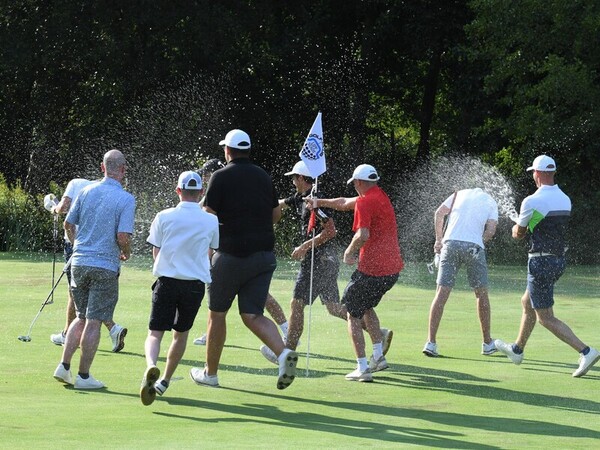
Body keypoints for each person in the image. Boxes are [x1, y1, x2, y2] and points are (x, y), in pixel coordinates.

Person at [189, 129, 298, 390]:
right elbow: (274, 215)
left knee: (217, 315)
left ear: (227, 151)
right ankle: (283, 354)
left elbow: (207, 216)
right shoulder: (264, 176)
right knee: (252, 314)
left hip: (231, 256)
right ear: (247, 150)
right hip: (264, 257)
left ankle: (210, 374)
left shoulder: (220, 176)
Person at [260, 161, 393, 364]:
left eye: (295, 177)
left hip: (318, 260)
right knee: (333, 307)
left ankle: (286, 353)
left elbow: (331, 231)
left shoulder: (316, 203)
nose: (293, 181)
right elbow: (279, 204)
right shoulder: (300, 198)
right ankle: (378, 333)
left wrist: (305, 246)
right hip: (325, 262)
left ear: (303, 178)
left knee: (297, 303)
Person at [495, 155, 599, 377]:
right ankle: (517, 349)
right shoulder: (565, 199)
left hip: (541, 261)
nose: (533, 175)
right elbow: (541, 224)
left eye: (533, 172)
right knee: (527, 301)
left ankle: (586, 351)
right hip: (558, 261)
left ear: (539, 174)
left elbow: (519, 234)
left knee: (545, 317)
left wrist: (517, 228)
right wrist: (529, 223)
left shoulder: (532, 201)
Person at [309, 164, 403, 382]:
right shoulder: (379, 195)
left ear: (359, 183)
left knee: (352, 313)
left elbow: (362, 234)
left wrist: (349, 252)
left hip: (372, 270)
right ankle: (378, 357)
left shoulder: (364, 201)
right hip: (391, 271)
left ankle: (362, 368)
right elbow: (344, 203)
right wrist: (318, 202)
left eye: (354, 184)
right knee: (366, 305)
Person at [52, 149, 136, 389]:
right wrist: (126, 252)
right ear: (123, 170)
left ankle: (63, 366)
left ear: (102, 168)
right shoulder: (126, 199)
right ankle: (84, 376)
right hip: (104, 265)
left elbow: (68, 223)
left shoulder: (86, 190)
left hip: (78, 262)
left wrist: (78, 245)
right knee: (94, 321)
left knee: (80, 316)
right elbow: (122, 235)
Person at [140, 171, 219, 405]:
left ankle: (151, 365)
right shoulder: (210, 220)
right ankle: (164, 380)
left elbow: (156, 251)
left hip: (167, 280)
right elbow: (211, 250)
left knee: (155, 333)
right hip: (194, 285)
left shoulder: (164, 216)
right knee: (180, 334)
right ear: (201, 193)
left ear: (178, 191)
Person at [192, 160, 291, 346]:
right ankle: (286, 332)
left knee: (220, 305)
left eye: (206, 174)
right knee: (246, 303)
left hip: (231, 255)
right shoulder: (242, 180)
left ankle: (286, 330)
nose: (204, 178)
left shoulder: (220, 182)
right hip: (250, 254)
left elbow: (203, 213)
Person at [47, 178, 128, 352]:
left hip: (78, 246)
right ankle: (113, 329)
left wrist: (52, 208)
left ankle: (68, 334)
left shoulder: (76, 184)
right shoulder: (107, 192)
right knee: (95, 292)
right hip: (103, 250)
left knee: (74, 292)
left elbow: (64, 210)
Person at [422, 188, 498, 357]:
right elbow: (491, 231)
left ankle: (431, 343)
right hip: (474, 247)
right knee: (481, 294)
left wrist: (439, 240)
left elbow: (439, 213)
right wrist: (481, 242)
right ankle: (487, 343)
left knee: (441, 293)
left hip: (450, 245)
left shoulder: (458, 194)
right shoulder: (490, 200)